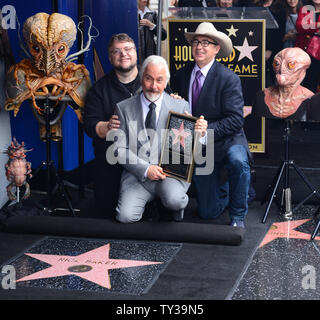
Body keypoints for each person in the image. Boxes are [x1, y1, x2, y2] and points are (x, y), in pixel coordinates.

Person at [171, 22, 251, 228]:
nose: (199, 46)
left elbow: (236, 120)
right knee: (207, 212)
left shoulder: (228, 78)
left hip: (227, 141)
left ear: (216, 49)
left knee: (238, 163)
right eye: (196, 41)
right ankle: (227, 189)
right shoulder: (181, 74)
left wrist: (208, 129)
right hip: (198, 147)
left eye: (206, 42)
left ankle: (238, 215)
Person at [112, 55, 208, 223]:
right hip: (137, 176)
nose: (154, 86)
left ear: (166, 82)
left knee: (175, 201)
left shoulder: (180, 106)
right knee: (125, 217)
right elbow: (119, 150)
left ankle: (173, 206)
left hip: (169, 175)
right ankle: (153, 205)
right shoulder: (123, 107)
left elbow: (187, 151)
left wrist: (199, 134)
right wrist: (146, 169)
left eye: (159, 80)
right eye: (149, 79)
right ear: (142, 78)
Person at [83, 33, 141, 216]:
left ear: (136, 53)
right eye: (116, 51)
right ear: (110, 57)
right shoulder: (99, 89)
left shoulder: (153, 81)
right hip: (112, 160)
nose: (123, 54)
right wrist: (106, 127)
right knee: (107, 210)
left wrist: (174, 101)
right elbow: (90, 125)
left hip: (148, 156)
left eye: (127, 49)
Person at [295, 0, 320, 93]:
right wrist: (317, 25)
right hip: (306, 52)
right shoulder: (305, 9)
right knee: (309, 83)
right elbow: (300, 26)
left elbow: (305, 27)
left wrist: (310, 27)